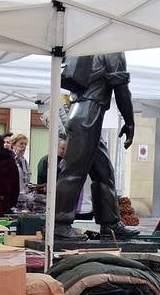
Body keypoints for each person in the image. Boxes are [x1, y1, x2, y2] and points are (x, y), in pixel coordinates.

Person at [54, 53, 139, 242]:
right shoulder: (112, 48)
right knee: (74, 172)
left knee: (104, 173)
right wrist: (130, 121)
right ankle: (59, 223)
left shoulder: (90, 47)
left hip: (85, 113)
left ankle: (110, 224)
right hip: (88, 114)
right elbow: (121, 87)